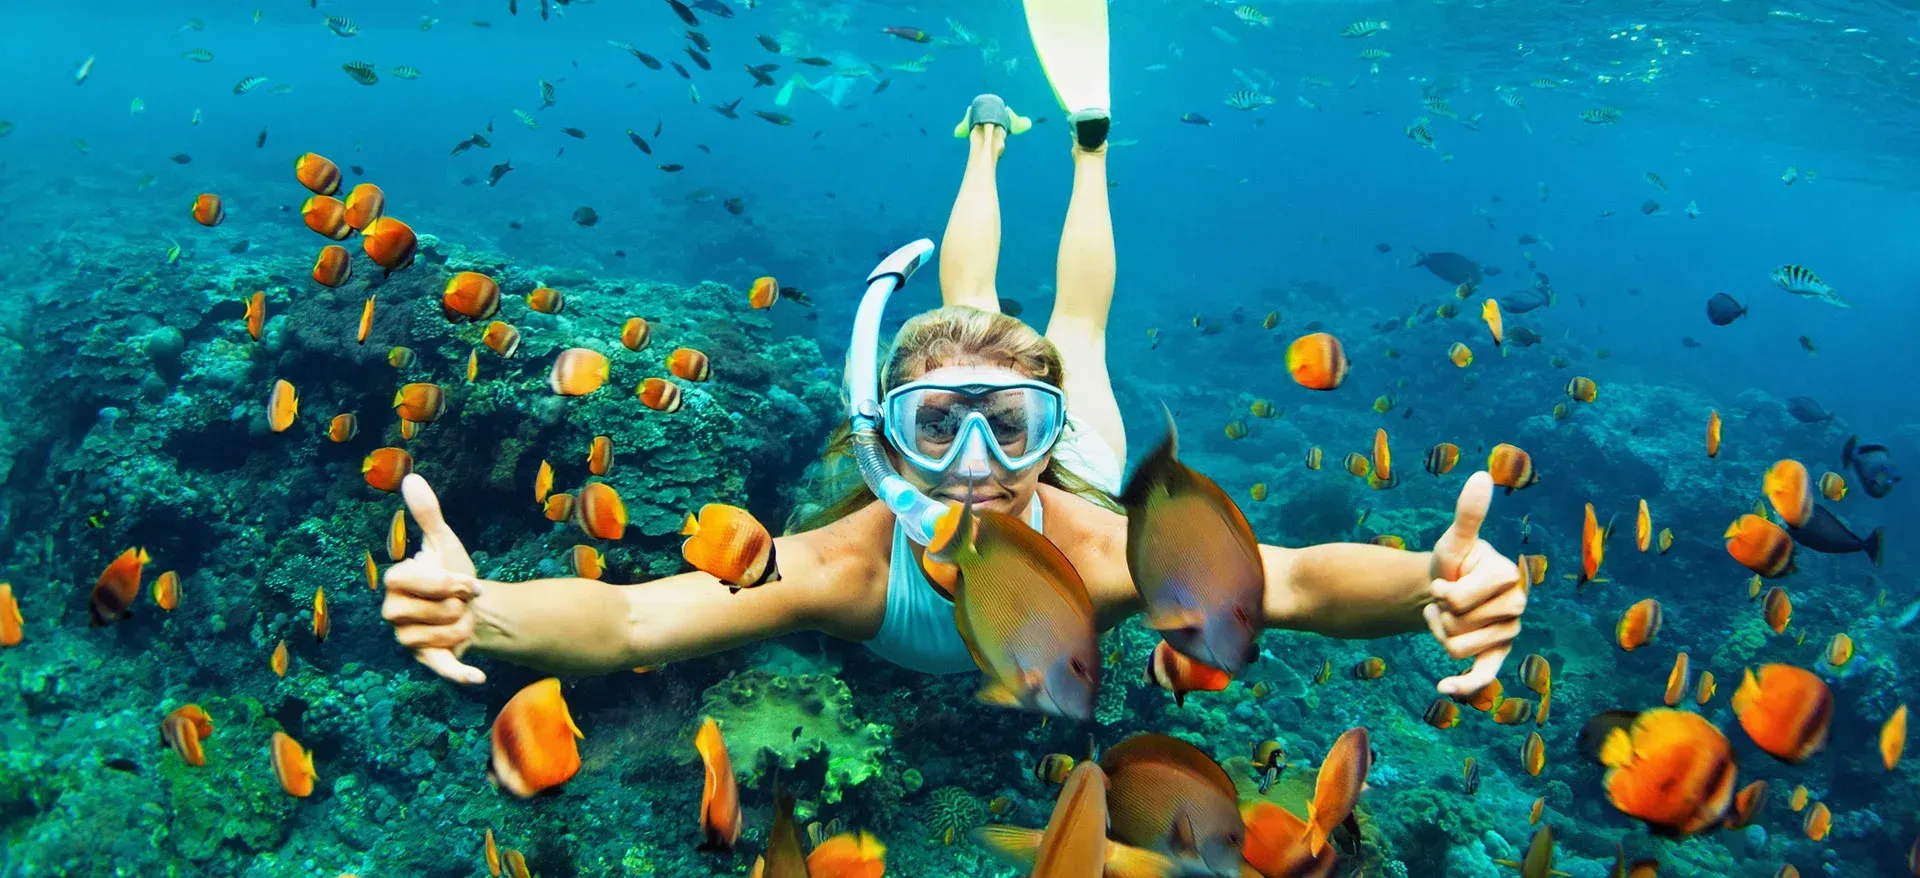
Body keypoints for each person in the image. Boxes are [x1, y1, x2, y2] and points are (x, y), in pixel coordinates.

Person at [380, 6, 1527, 701]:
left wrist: (1432, 581)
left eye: (1009, 423)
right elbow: (635, 619)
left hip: (1089, 468)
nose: (977, 460)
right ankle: (985, 145)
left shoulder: (1108, 548)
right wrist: (483, 609)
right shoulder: (847, 568)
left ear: (1047, 430)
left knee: (1073, 327)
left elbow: (1301, 581)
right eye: (937, 423)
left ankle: (1085, 153)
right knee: (968, 301)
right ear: (888, 440)